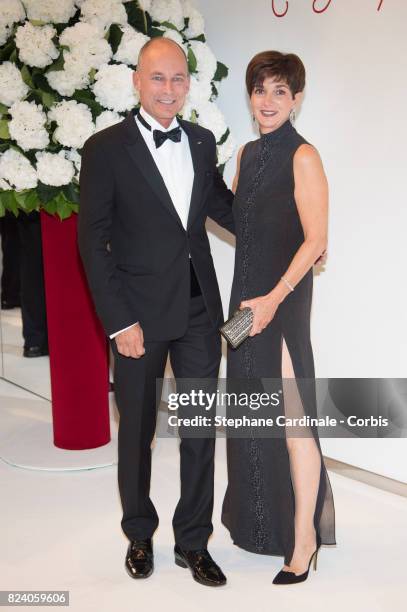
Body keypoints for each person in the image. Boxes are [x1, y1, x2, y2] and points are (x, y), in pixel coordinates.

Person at [78, 37, 234, 587]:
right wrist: (120, 322)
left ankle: (193, 540)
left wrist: (283, 229)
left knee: (197, 431)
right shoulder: (104, 148)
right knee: (138, 432)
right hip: (138, 318)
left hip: (197, 311)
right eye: (158, 79)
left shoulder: (200, 140)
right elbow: (92, 243)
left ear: (188, 84)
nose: (169, 90)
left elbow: (220, 207)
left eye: (178, 79)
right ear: (137, 82)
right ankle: (139, 532)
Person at [221, 50, 336, 585]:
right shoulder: (244, 154)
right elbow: (244, 228)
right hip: (243, 304)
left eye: (279, 92)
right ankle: (260, 528)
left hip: (281, 304)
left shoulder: (303, 155)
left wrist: (272, 300)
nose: (267, 101)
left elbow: (316, 238)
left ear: (296, 98)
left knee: (292, 422)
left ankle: (304, 537)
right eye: (259, 90)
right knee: (251, 418)